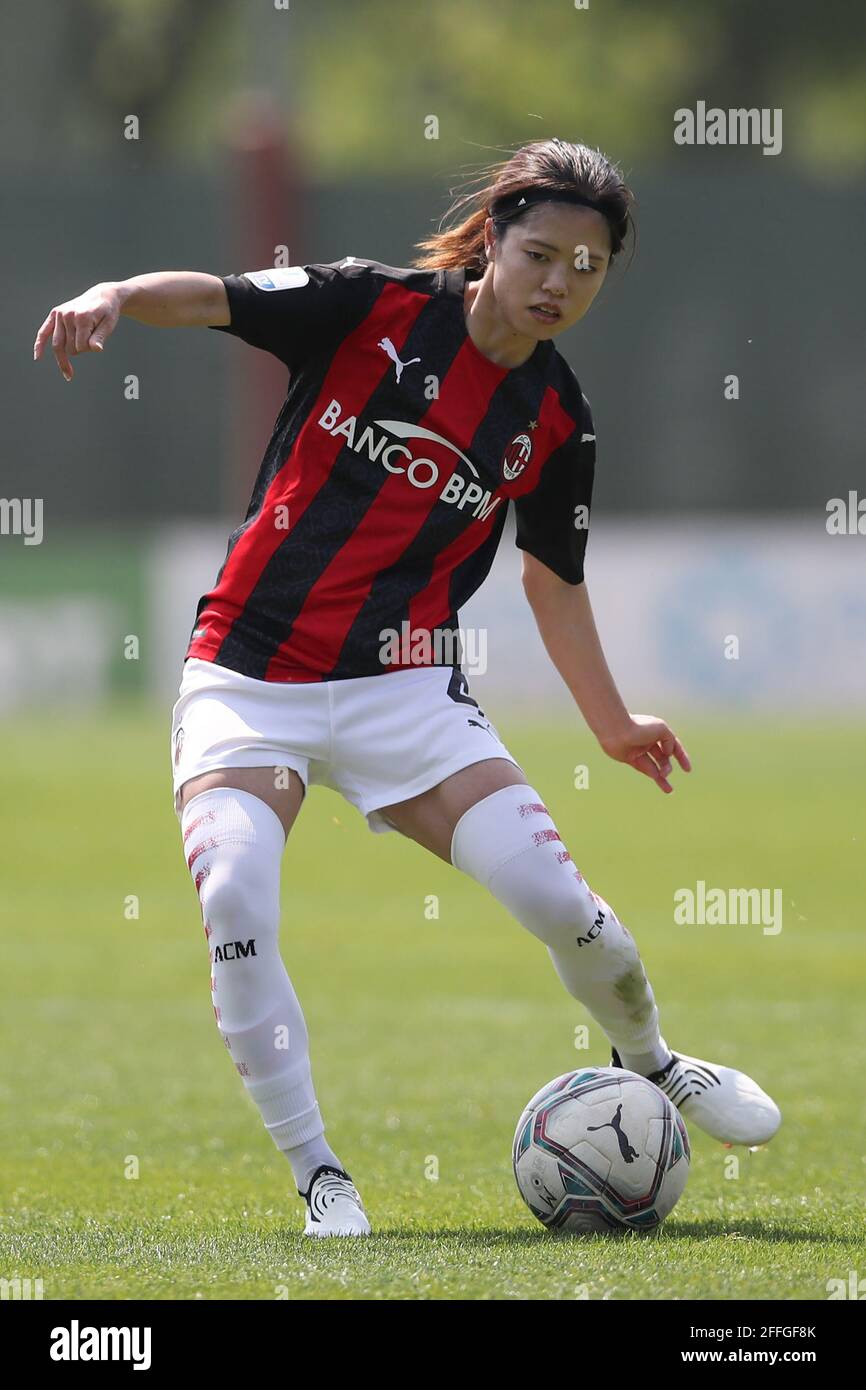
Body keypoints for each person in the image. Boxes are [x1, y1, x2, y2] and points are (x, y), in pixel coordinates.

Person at [33, 138, 780, 1238]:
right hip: (249, 673)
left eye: (587, 266)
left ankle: (653, 1063)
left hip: (405, 694)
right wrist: (112, 293)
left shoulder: (557, 420)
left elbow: (553, 584)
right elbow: (216, 299)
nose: (558, 282)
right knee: (236, 895)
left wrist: (611, 723)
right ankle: (319, 1175)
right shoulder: (366, 304)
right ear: (491, 239)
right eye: (539, 253)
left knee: (560, 908)